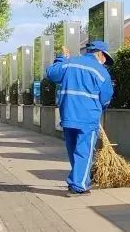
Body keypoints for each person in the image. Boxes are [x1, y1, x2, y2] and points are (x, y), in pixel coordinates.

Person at [46, 39, 115, 196]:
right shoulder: (100, 71)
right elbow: (106, 96)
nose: (105, 62)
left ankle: (77, 179)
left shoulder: (69, 63)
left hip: (68, 114)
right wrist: (101, 108)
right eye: (105, 58)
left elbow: (51, 73)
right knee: (84, 150)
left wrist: (61, 58)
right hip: (88, 116)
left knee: (73, 149)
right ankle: (79, 186)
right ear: (100, 54)